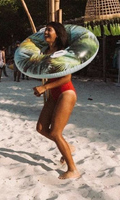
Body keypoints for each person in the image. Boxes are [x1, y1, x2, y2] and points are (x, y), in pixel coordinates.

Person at [33, 22, 80, 180]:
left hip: (66, 92)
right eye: (45, 29)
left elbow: (66, 77)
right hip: (54, 92)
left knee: (55, 132)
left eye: (49, 30)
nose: (45, 32)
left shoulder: (62, 53)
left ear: (57, 34)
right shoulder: (45, 52)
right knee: (40, 128)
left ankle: (72, 169)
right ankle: (69, 147)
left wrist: (45, 88)